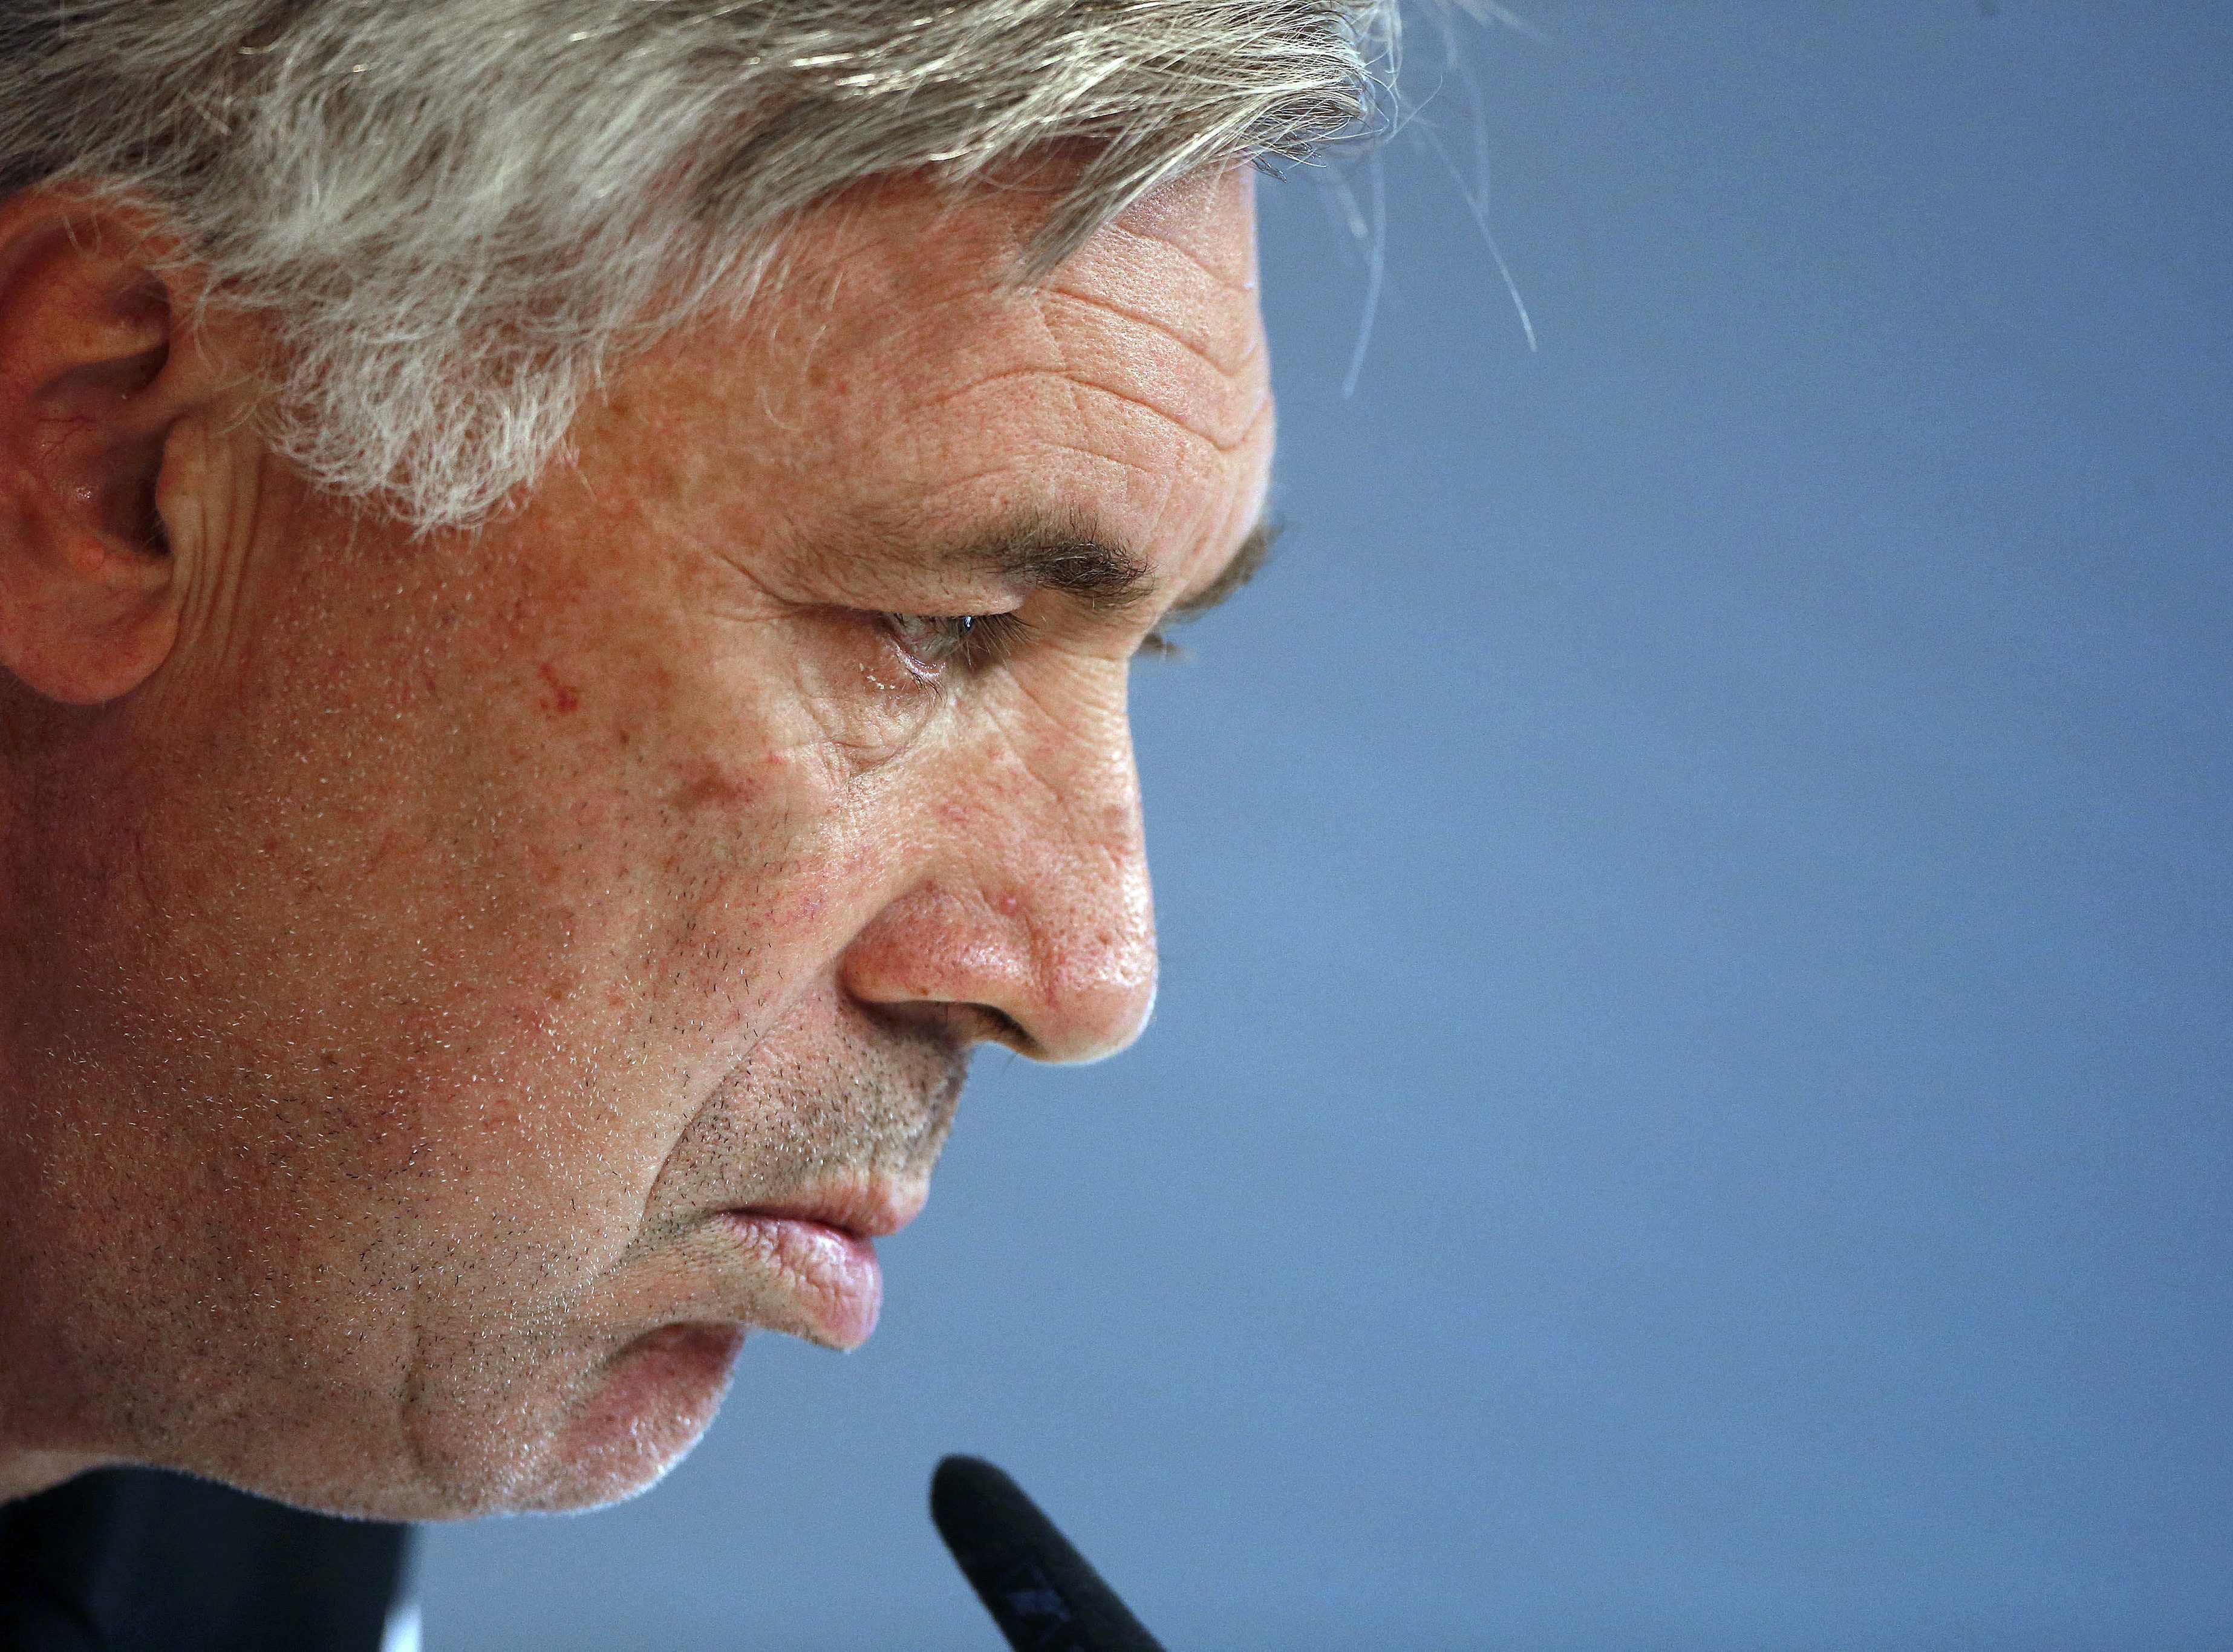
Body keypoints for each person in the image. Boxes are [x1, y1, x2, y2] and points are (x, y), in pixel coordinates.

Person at [0, 1, 1397, 1642]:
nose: (1096, 974)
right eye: (935, 627)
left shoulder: (234, 1509)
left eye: (1139, 648)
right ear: (113, 465)